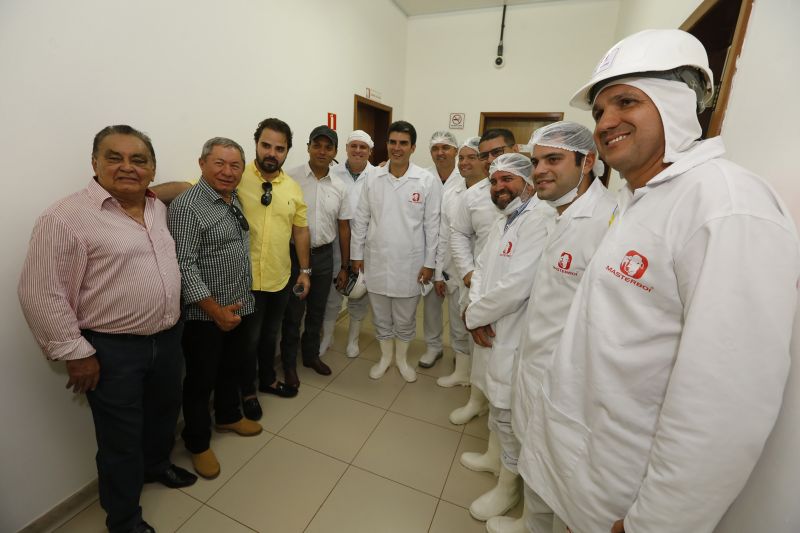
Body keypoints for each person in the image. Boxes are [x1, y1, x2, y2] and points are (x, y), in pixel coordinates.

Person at [517, 29, 800, 533]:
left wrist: (657, 524)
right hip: (583, 471)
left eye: (627, 101)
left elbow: (725, 406)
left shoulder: (726, 207)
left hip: (627, 498)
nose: (606, 123)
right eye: (600, 111)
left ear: (677, 104)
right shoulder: (639, 200)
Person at [18, 125, 196, 533]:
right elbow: (39, 292)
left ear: (152, 169)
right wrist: (77, 354)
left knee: (163, 417)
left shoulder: (157, 208)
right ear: (94, 163)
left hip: (168, 340)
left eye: (139, 160)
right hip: (112, 352)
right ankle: (124, 518)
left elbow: (180, 186)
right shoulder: (65, 218)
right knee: (119, 440)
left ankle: (155, 467)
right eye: (114, 157)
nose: (127, 167)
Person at [484, 122, 615, 533]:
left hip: (569, 381)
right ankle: (529, 523)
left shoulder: (607, 222)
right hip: (536, 365)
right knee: (536, 459)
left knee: (558, 473)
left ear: (588, 161)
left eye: (554, 159)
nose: (540, 169)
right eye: (537, 160)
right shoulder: (555, 214)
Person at [461, 153, 552, 524]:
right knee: (495, 404)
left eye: (508, 180)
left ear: (528, 181)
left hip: (512, 331)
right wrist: (476, 310)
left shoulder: (539, 221)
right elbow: (482, 269)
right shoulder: (505, 219)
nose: (499, 188)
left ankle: (508, 486)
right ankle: (493, 459)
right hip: (490, 325)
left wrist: (474, 315)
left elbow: (517, 285)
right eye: (495, 181)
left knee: (509, 412)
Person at [167, 137, 263, 481]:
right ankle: (197, 442)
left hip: (238, 305)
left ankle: (227, 416)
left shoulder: (231, 198)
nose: (227, 171)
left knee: (231, 368)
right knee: (200, 380)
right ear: (202, 164)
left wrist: (235, 308)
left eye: (235, 165)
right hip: (204, 316)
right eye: (219, 163)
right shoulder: (187, 206)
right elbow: (184, 265)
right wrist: (215, 310)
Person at [350, 120, 442, 382]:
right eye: (392, 142)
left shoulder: (426, 181)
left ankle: (401, 359)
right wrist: (356, 256)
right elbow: (361, 219)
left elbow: (432, 226)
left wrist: (429, 263)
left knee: (404, 318)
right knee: (380, 316)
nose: (397, 148)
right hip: (376, 260)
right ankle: (385, 357)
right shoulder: (372, 177)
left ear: (413, 147)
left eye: (403, 143)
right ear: (386, 144)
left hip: (410, 265)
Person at [238, 118, 311, 413]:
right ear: (256, 144)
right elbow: (193, 188)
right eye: (266, 145)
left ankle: (267, 379)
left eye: (279, 148)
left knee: (270, 336)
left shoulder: (292, 188)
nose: (271, 153)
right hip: (245, 280)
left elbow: (301, 230)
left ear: (287, 151)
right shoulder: (236, 176)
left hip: (280, 277)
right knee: (247, 341)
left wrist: (304, 272)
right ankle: (246, 393)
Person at [446, 129, 513, 424]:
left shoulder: (536, 192)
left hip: (518, 291)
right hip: (480, 285)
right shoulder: (473, 195)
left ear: (515, 149)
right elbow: (458, 234)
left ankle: (501, 415)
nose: (490, 160)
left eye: (497, 152)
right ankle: (477, 400)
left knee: (507, 354)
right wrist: (469, 274)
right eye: (485, 155)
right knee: (480, 347)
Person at [281, 126, 352, 379]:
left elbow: (343, 228)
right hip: (293, 257)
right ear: (309, 146)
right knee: (293, 312)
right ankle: (289, 363)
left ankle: (310, 356)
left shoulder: (340, 186)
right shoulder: (290, 179)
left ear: (334, 152)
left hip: (323, 257)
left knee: (317, 310)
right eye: (317, 145)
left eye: (328, 147)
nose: (322, 151)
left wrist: (345, 265)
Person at [320, 130, 375, 358]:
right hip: (337, 241)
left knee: (358, 292)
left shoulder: (378, 175)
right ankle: (327, 337)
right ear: (346, 148)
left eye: (363, 147)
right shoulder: (333, 173)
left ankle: (353, 339)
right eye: (354, 146)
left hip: (366, 245)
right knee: (334, 293)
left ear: (369, 151)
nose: (358, 151)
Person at [435, 137, 484, 388]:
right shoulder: (452, 191)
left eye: (471, 157)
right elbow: (444, 233)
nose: (464, 162)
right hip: (453, 271)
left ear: (483, 160)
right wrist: (438, 272)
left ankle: (479, 380)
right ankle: (462, 372)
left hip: (482, 275)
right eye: (462, 157)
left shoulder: (493, 192)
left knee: (479, 327)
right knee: (457, 323)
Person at [419, 130, 461, 368]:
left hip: (456, 256)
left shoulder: (466, 177)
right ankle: (433, 347)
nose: (440, 152)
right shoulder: (423, 177)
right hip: (429, 252)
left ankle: (459, 350)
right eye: (435, 148)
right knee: (432, 306)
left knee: (457, 310)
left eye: (445, 147)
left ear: (455, 150)